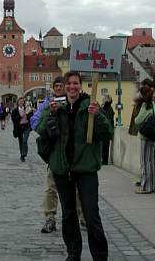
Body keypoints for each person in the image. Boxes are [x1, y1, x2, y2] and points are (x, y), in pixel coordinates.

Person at [36, 71, 113, 261]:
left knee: (91, 214)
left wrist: (99, 116)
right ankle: (73, 253)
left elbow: (107, 133)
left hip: (85, 169)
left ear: (81, 85)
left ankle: (100, 255)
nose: (72, 87)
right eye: (68, 83)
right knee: (69, 215)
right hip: (62, 169)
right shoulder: (56, 106)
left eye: (75, 83)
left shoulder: (90, 105)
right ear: (64, 86)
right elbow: (40, 129)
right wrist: (50, 114)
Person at [31, 76, 86, 234]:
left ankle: (83, 218)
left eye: (63, 85)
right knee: (51, 188)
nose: (61, 88)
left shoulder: (76, 103)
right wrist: (49, 125)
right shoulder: (48, 104)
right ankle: (50, 218)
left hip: (74, 154)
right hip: (55, 154)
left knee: (77, 188)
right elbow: (35, 122)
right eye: (58, 86)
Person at [134, 86, 155, 194]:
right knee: (151, 162)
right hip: (153, 136)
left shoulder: (145, 106)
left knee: (144, 162)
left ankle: (145, 186)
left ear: (143, 96)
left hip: (145, 136)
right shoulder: (153, 105)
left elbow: (137, 120)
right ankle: (151, 186)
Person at [11, 97, 30, 162]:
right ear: (17, 103)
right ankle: (22, 155)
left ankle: (24, 153)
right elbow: (13, 119)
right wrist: (20, 116)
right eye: (20, 102)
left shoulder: (26, 109)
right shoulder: (15, 110)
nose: (21, 103)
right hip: (19, 127)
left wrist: (31, 113)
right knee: (21, 142)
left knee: (25, 140)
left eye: (22, 102)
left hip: (26, 126)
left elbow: (30, 117)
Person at [101, 94, 115, 165]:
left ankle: (104, 160)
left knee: (105, 145)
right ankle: (104, 160)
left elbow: (108, 119)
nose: (102, 100)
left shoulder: (107, 108)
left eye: (103, 98)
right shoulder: (107, 107)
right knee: (104, 146)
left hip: (106, 129)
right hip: (106, 128)